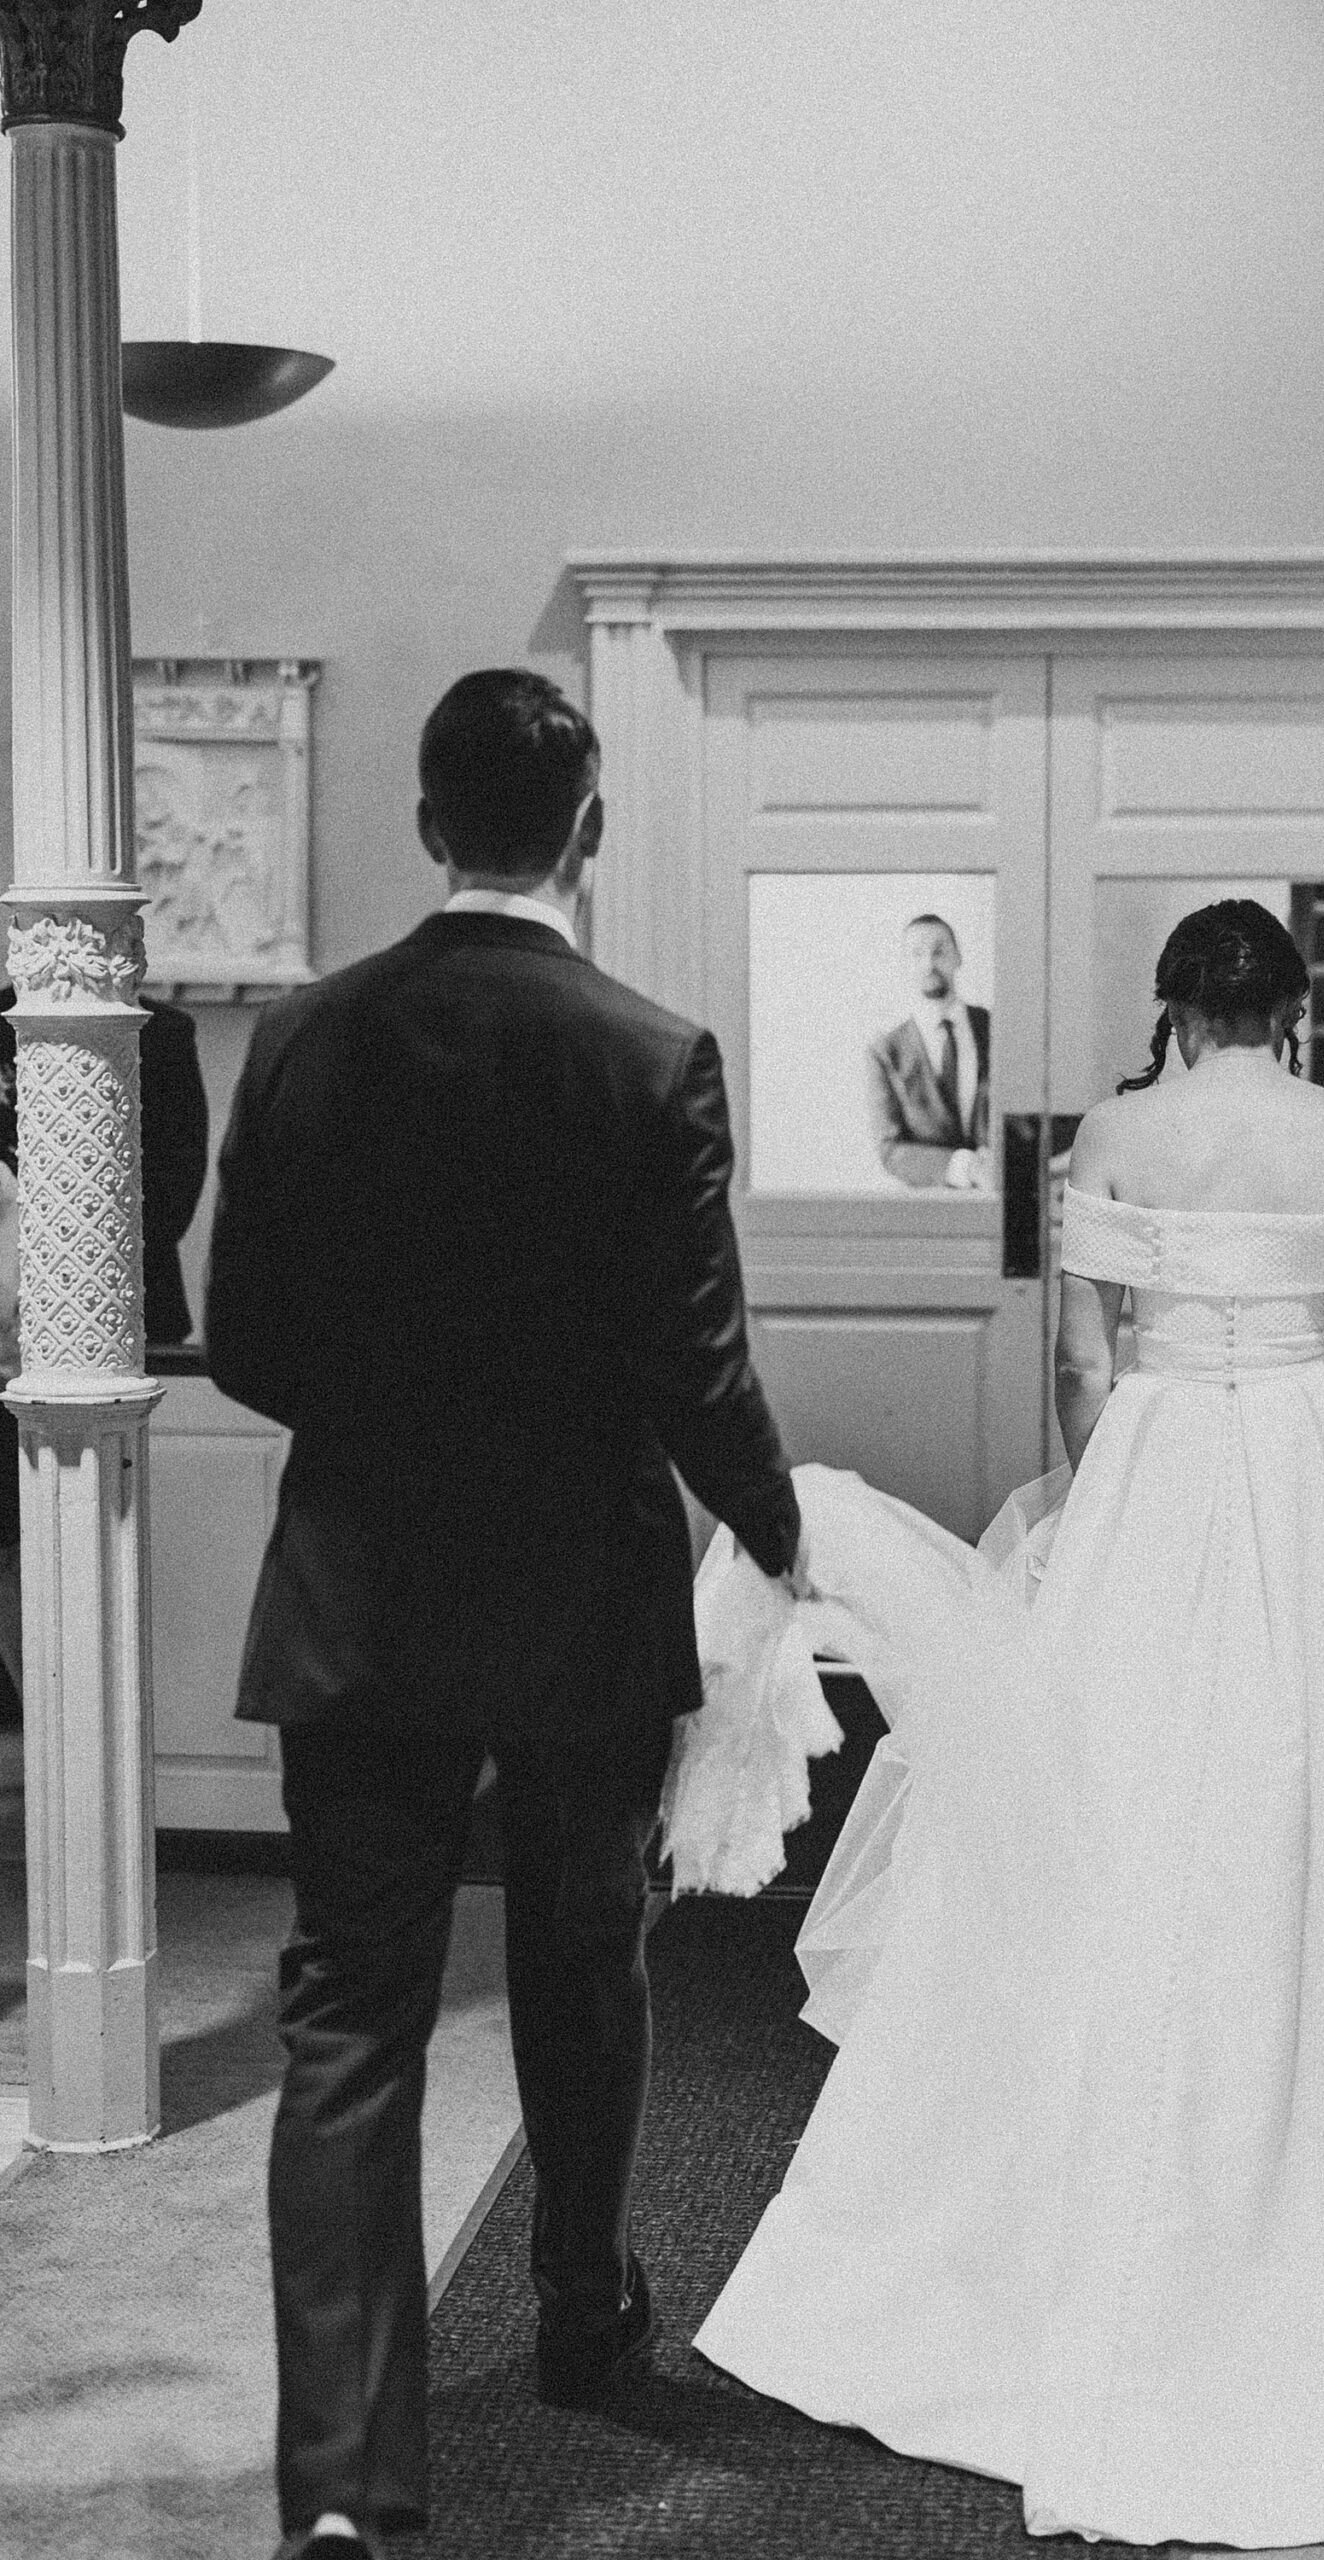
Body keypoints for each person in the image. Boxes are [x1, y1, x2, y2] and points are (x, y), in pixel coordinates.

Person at [694, 899, 1324, 2549]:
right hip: (1310, 1470)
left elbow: (1082, 1363)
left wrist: (1094, 1509)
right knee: (1308, 1793)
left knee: (1125, 1794)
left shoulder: (1114, 1127)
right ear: (1290, 1013)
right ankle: (1301, 2114)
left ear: (1177, 1006)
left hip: (1164, 1452)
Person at [204, 668, 807, 2560]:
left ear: (422, 819)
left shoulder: (307, 1033)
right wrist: (777, 1530)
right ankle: (576, 2317)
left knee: (349, 2021)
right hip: (575, 1599)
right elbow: (694, 1364)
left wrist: (392, 1433)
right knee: (581, 1960)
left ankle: (344, 2490)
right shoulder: (648, 1054)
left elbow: (240, 1335)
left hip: (363, 1595)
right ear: (593, 828)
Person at [0, 988, 209, 1708]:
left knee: (139, 1537)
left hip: (133, 1308)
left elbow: (176, 1182)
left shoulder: (167, 1032)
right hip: (5, 1331)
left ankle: (156, 1723)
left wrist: (74, 1276)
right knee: (15, 1549)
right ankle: (51, 1712)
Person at [865, 912, 992, 1188]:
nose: (929, 963)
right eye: (917, 954)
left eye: (940, 951)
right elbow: (889, 1148)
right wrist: (965, 1167)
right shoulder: (885, 1050)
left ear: (958, 957)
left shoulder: (995, 1029)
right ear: (904, 965)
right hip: (928, 1208)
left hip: (999, 1203)